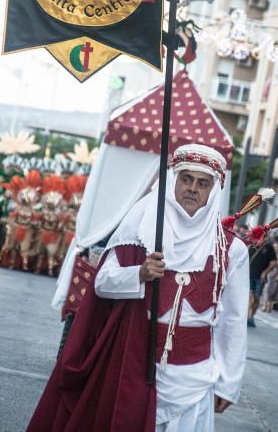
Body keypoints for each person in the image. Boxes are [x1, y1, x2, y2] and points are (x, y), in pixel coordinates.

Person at [26, 144, 250, 432]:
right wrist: (139, 274)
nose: (192, 188)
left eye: (202, 183)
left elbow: (232, 320)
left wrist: (228, 384)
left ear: (214, 191)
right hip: (132, 367)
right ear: (173, 181)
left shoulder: (232, 250)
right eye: (186, 179)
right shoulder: (140, 225)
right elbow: (103, 283)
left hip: (194, 380)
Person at [248, 236, 277, 326]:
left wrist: (265, 272)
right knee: (249, 297)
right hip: (249, 275)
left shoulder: (269, 247)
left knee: (256, 298)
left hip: (260, 277)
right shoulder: (251, 246)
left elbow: (274, 262)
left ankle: (251, 316)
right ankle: (247, 316)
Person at [262, 241, 278, 313]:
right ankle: (265, 305)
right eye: (274, 247)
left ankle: (270, 306)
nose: (275, 248)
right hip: (269, 274)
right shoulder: (271, 254)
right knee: (266, 289)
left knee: (273, 291)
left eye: (277, 247)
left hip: (276, 275)